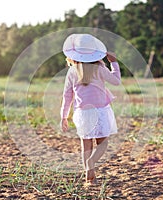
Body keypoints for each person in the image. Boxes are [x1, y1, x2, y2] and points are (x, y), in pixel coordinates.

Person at [60, 34, 121, 185]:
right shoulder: (99, 68)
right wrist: (114, 63)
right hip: (100, 111)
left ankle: (90, 178)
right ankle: (91, 163)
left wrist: (63, 116)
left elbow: (67, 96)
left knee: (86, 146)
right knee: (103, 143)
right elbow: (116, 81)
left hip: (82, 113)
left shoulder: (72, 71)